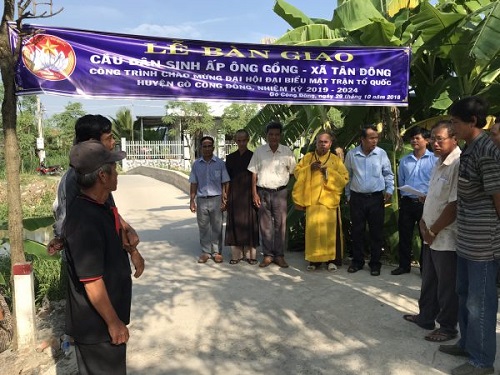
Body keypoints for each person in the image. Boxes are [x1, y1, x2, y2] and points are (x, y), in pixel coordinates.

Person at [439, 97, 500, 375]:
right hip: (466, 238)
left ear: (472, 122)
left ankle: (482, 361)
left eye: (455, 123)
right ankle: (467, 344)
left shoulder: (487, 151)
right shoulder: (470, 148)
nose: (452, 128)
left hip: (483, 244)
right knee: (464, 294)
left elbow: (498, 198)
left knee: (481, 303)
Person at [47, 114, 145, 278]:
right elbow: (67, 223)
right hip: (93, 268)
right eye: (109, 138)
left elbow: (108, 211)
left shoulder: (98, 174)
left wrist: (128, 234)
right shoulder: (76, 180)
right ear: (92, 144)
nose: (113, 143)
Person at [64, 140, 132, 374]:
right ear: (103, 176)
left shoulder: (98, 207)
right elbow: (92, 281)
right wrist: (113, 322)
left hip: (103, 321)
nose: (118, 174)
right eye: (114, 169)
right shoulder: (85, 219)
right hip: (98, 327)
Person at [402, 120, 460, 342]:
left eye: (440, 139)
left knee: (446, 285)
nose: (435, 143)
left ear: (454, 139)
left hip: (444, 236)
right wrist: (426, 225)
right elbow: (438, 196)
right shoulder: (439, 161)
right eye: (433, 138)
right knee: (429, 280)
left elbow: (454, 205)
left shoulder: (458, 163)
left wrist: (433, 230)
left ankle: (447, 327)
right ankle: (425, 316)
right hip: (430, 233)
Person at [292, 131, 349, 271]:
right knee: (313, 231)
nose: (322, 144)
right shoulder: (308, 158)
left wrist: (328, 172)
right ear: (316, 143)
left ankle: (332, 260)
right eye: (320, 142)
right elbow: (297, 172)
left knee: (330, 232)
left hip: (329, 202)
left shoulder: (335, 160)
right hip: (313, 201)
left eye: (325, 142)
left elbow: (344, 179)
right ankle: (314, 261)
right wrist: (309, 169)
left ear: (330, 144)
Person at [344, 124, 394, 276]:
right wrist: (348, 195)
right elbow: (347, 176)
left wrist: (389, 189)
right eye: (371, 138)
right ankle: (357, 262)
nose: (375, 141)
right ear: (362, 139)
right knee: (357, 231)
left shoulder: (381, 154)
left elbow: (388, 174)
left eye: (376, 138)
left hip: (376, 198)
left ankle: (375, 264)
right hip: (357, 198)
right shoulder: (352, 155)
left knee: (376, 232)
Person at [248, 121, 296, 268]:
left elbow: (294, 173)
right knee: (265, 225)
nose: (274, 137)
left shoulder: (287, 151)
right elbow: (254, 174)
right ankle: (268, 255)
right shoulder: (259, 152)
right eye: (271, 135)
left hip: (280, 192)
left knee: (280, 225)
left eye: (276, 134)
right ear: (266, 136)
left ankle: (279, 256)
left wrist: (287, 190)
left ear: (280, 136)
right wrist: (254, 193)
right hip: (262, 192)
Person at [392, 126, 437, 275]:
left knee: (426, 236)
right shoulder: (405, 161)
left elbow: (437, 183)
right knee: (404, 235)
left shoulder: (434, 160)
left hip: (426, 203)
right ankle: (404, 266)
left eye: (417, 138)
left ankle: (426, 268)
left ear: (427, 140)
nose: (414, 141)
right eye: (412, 138)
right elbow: (402, 182)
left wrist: (428, 196)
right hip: (407, 202)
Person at [189, 136, 230, 264]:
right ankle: (206, 252)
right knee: (203, 227)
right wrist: (192, 200)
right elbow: (193, 183)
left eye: (209, 146)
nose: (207, 149)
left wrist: (225, 198)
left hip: (217, 199)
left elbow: (226, 182)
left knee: (217, 227)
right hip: (201, 199)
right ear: (201, 148)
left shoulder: (220, 163)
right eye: (204, 146)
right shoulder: (196, 164)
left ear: (213, 147)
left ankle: (217, 252)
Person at [224, 129, 260, 265]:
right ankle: (236, 255)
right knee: (235, 223)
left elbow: (257, 176)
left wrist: (255, 194)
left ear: (248, 140)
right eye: (239, 140)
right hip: (234, 195)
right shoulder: (230, 158)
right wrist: (225, 195)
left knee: (250, 224)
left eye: (244, 140)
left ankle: (251, 255)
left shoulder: (254, 156)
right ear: (235, 141)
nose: (241, 143)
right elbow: (226, 178)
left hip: (250, 194)